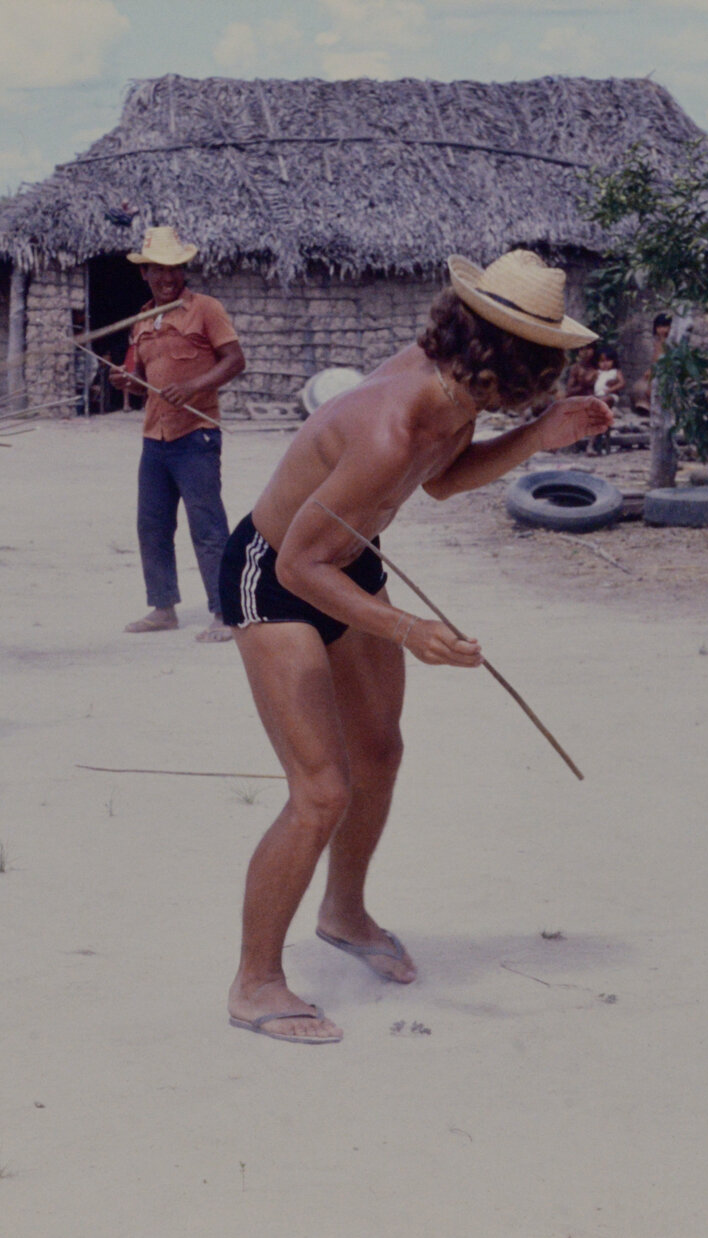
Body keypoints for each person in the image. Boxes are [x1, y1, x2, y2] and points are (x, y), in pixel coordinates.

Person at [216, 250, 614, 1044]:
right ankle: (255, 981)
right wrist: (411, 631)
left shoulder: (458, 387)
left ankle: (345, 911)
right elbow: (299, 562)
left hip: (345, 556)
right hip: (275, 573)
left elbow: (440, 480)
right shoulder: (393, 422)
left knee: (380, 753)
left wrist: (538, 436)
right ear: (512, 358)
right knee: (322, 790)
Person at [111, 225, 246, 643]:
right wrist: (127, 383)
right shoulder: (141, 320)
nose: (168, 278)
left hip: (196, 435)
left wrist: (193, 387)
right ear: (145, 273)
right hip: (155, 438)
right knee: (152, 525)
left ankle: (226, 613)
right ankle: (163, 607)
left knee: (207, 527)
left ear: (184, 270)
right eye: (158, 270)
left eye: (175, 270)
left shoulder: (205, 308)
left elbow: (235, 360)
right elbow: (139, 374)